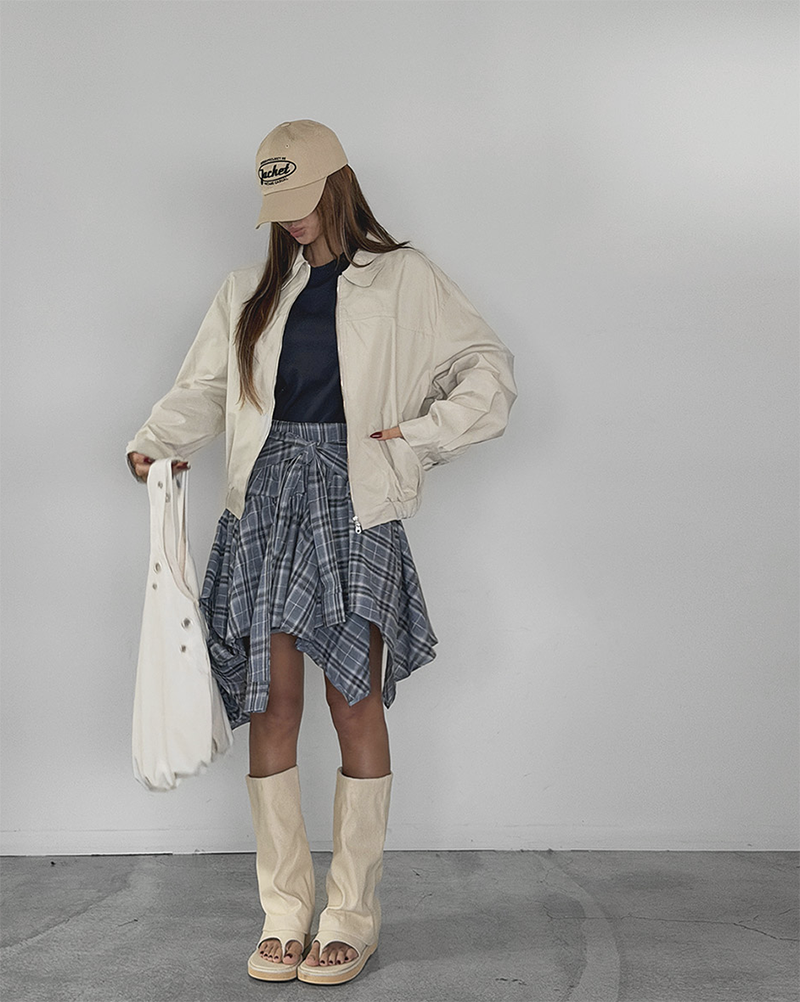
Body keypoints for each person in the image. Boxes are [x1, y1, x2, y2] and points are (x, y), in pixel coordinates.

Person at [126, 119, 517, 985]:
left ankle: (351, 915)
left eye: (302, 199)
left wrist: (415, 438)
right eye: (278, 205)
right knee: (273, 705)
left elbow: (488, 371)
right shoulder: (248, 291)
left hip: (355, 504)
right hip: (265, 503)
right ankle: (283, 913)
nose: (291, 218)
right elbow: (204, 390)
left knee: (354, 703)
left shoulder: (404, 278)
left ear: (339, 185)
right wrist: (153, 443)